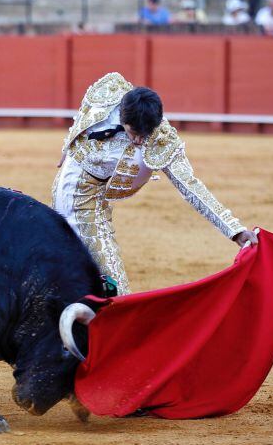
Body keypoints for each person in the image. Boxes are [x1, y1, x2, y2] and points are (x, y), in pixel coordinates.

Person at [52, 73, 257, 295]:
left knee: (92, 269)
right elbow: (85, 110)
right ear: (122, 115)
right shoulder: (109, 90)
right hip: (75, 192)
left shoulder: (162, 139)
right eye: (134, 133)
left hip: (99, 197)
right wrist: (69, 143)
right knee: (112, 282)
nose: (139, 140)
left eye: (145, 135)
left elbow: (191, 187)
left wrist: (234, 230)